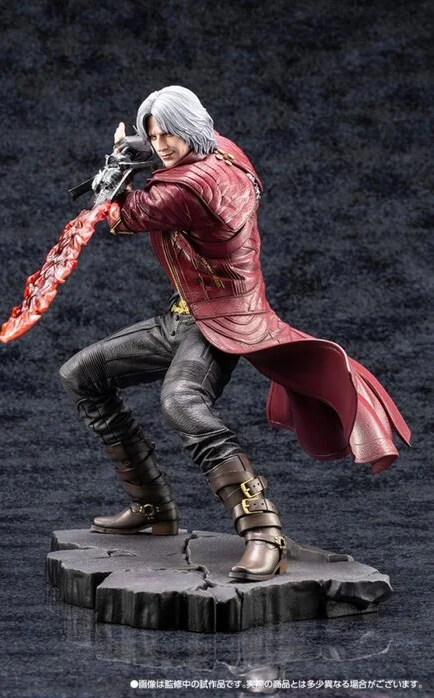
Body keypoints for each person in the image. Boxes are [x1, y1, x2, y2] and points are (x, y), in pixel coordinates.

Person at [59, 85, 410, 582]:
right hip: (187, 314)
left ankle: (264, 531)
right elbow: (175, 162)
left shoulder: (186, 189)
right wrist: (148, 148)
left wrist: (118, 163)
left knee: (182, 402)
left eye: (169, 135)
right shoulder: (224, 152)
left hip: (222, 321)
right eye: (154, 136)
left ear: (191, 129)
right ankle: (152, 506)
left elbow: (117, 216)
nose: (161, 146)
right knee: (82, 374)